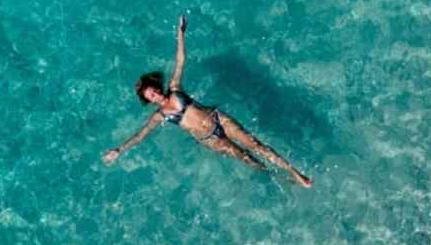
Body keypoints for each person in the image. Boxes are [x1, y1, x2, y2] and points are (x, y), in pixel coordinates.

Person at [102, 16, 313, 187]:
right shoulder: (160, 116)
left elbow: (180, 61)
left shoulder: (175, 88)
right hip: (210, 139)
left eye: (154, 91)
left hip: (218, 119)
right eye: (150, 96)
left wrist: (180, 35)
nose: (155, 95)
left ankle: (294, 173)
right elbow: (140, 135)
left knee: (256, 145)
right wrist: (119, 150)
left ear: (157, 87)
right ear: (149, 101)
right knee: (247, 159)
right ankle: (276, 177)